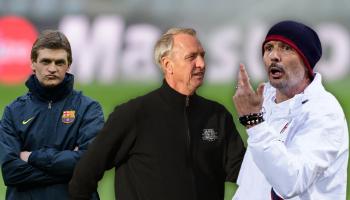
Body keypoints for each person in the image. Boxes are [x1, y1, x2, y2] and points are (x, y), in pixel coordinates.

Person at [69, 28, 246, 200]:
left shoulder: (217, 115)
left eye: (202, 55)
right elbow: (83, 178)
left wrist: (255, 122)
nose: (201, 64)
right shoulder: (133, 114)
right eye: (191, 57)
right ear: (168, 65)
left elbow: (247, 174)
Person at [232, 20, 349, 200]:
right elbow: (252, 186)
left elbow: (291, 182)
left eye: (286, 48)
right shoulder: (264, 100)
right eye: (269, 48)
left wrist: (253, 121)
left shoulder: (324, 112)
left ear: (306, 60)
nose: (274, 56)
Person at [0, 30, 104, 200]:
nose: (52, 69)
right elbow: (11, 172)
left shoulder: (89, 109)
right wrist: (71, 169)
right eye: (46, 61)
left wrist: (32, 157)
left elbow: (91, 165)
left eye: (59, 62)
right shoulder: (13, 112)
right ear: (33, 63)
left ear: (68, 65)